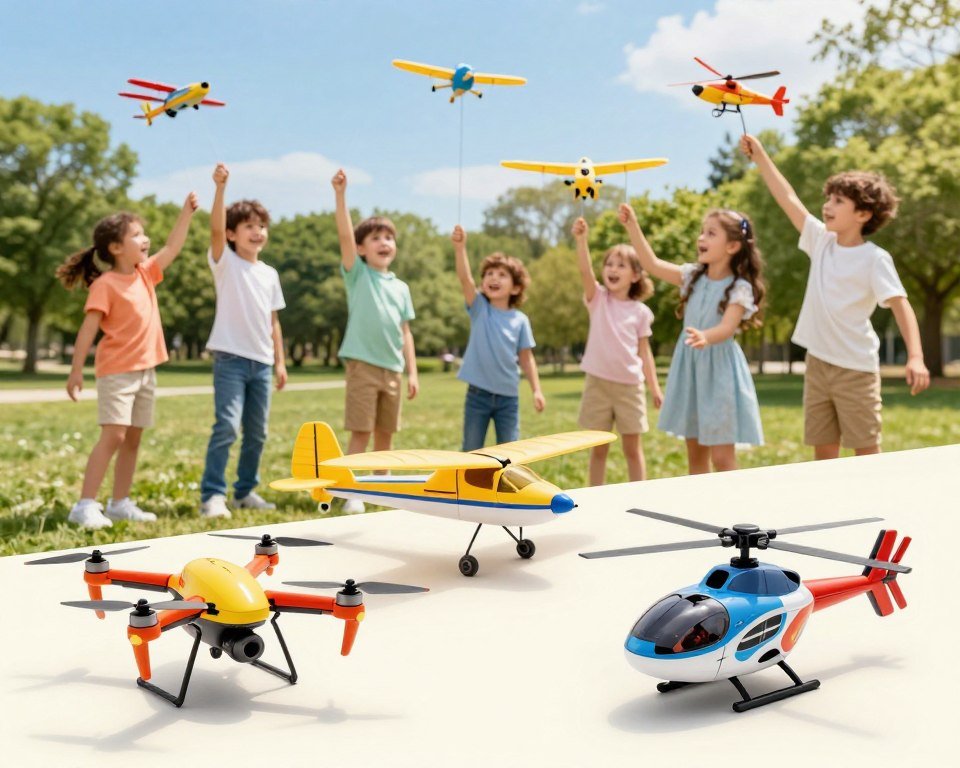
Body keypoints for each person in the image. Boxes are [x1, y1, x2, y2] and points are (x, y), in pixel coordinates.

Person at [741, 134, 930, 459]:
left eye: (838, 201)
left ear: (863, 214)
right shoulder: (821, 241)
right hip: (817, 363)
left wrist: (915, 356)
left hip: (855, 368)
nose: (827, 205)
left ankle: (875, 504)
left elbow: (901, 305)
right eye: (828, 198)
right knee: (823, 449)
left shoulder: (874, 258)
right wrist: (761, 158)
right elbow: (787, 197)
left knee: (865, 448)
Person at [58, 194, 199, 529]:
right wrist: (76, 370)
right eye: (136, 234)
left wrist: (186, 213)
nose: (145, 239)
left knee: (133, 437)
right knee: (115, 436)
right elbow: (87, 330)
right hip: (117, 372)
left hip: (145, 372)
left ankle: (120, 502)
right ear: (116, 248)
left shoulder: (146, 274)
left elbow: (173, 248)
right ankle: (84, 505)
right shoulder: (106, 285)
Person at [619, 203, 765, 474]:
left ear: (732, 246)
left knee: (722, 458)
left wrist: (706, 336)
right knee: (696, 455)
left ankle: (729, 505)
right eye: (702, 232)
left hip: (720, 373)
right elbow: (651, 263)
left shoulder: (739, 287)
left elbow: (728, 327)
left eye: (711, 233)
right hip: (691, 370)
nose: (701, 238)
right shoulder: (691, 277)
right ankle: (702, 506)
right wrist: (632, 226)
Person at [200, 164, 287, 519]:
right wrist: (220, 188)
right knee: (226, 427)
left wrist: (279, 361)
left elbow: (273, 321)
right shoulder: (226, 263)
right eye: (249, 226)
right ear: (234, 234)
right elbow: (215, 227)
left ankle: (245, 490)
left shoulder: (269, 273)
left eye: (261, 226)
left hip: (262, 363)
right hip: (230, 359)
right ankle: (213, 495)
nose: (257, 232)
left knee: (258, 433)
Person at [332, 169, 418, 513]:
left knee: (386, 435)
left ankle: (383, 488)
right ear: (361, 249)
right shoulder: (358, 275)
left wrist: (412, 372)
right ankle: (351, 491)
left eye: (389, 238)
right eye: (376, 238)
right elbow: (343, 234)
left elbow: (405, 332)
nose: (384, 243)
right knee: (361, 432)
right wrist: (341, 196)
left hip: (392, 371)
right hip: (363, 366)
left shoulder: (401, 287)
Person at [572, 217, 662, 485]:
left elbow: (645, 354)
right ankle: (594, 495)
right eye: (609, 264)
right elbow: (585, 272)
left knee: (632, 450)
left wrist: (655, 389)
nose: (612, 269)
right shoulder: (597, 299)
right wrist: (581, 239)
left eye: (621, 265)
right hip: (597, 385)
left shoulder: (641, 312)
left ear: (635, 275)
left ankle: (637, 494)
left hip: (630, 388)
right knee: (598, 449)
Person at [452, 225, 545, 451]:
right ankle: (469, 487)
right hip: (477, 396)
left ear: (515, 288)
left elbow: (526, 358)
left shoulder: (520, 320)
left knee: (509, 454)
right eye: (489, 274)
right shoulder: (480, 309)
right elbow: (465, 279)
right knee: (471, 452)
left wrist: (536, 390)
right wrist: (460, 248)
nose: (494, 278)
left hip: (508, 398)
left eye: (502, 275)